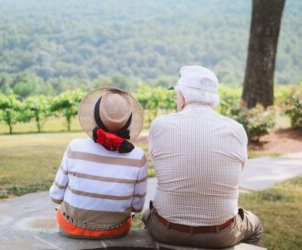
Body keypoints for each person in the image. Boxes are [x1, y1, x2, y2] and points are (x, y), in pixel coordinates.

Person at [142, 65, 263, 248]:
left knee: (146, 214)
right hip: (221, 234)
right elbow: (238, 171)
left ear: (182, 97)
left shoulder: (160, 125)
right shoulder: (236, 129)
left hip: (166, 230)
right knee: (255, 225)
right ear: (213, 99)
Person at [49, 88, 148, 239]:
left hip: (71, 227)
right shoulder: (137, 156)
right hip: (117, 231)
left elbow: (55, 196)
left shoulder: (75, 147)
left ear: (94, 117)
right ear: (128, 122)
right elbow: (137, 207)